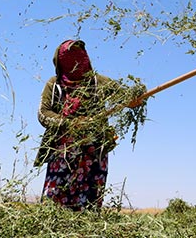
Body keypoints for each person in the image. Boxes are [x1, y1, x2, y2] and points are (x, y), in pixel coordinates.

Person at [34, 39, 145, 211]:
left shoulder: (98, 82)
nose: (77, 63)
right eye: (70, 58)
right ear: (61, 61)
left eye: (80, 57)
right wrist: (71, 123)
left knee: (89, 204)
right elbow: (43, 114)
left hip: (93, 155)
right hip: (62, 155)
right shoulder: (54, 85)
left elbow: (124, 96)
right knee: (54, 204)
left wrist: (134, 98)